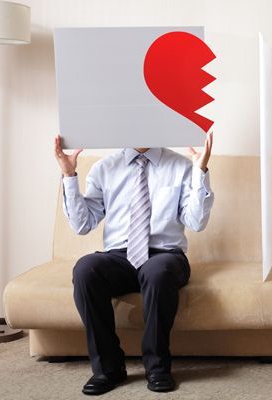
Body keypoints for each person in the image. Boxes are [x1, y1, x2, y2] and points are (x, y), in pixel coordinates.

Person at [53, 132, 214, 395]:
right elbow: (82, 225)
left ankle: (157, 367)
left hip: (165, 255)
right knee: (86, 269)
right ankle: (108, 369)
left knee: (157, 271)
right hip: (119, 256)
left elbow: (196, 222)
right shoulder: (104, 168)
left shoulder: (181, 166)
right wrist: (69, 175)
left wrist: (200, 171)